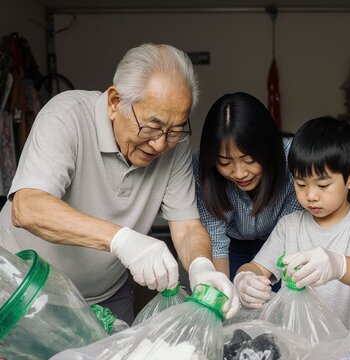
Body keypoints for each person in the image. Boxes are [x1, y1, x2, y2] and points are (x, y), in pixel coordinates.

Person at [0, 43, 239, 324]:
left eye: (175, 130)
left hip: (106, 296)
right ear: (115, 102)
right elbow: (28, 208)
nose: (161, 144)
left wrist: (201, 266)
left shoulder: (176, 149)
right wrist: (121, 240)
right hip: (21, 288)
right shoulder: (67, 116)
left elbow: (186, 227)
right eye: (151, 126)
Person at [233, 116, 350, 329]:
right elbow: (258, 267)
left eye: (323, 185)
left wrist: (338, 266)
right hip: (301, 345)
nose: (311, 196)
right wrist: (245, 278)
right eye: (300, 184)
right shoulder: (289, 226)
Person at [193, 92, 302, 280]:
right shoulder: (201, 167)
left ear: (268, 148)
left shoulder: (292, 158)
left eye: (249, 160)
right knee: (227, 297)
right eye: (225, 163)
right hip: (231, 245)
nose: (240, 173)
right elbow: (215, 239)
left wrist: (258, 271)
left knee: (270, 299)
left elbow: (288, 229)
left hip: (280, 242)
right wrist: (221, 293)